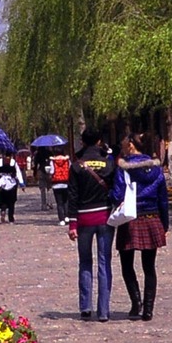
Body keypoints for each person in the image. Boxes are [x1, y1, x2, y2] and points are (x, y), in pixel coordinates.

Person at [112, 133, 169, 321]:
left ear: (130, 145)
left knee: (127, 264)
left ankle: (136, 304)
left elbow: (118, 194)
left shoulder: (123, 168)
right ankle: (148, 310)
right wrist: (165, 223)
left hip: (130, 218)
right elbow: (163, 198)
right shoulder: (156, 169)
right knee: (149, 267)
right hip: (152, 217)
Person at [68, 131, 115, 321]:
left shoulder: (77, 165)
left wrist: (72, 223)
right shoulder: (109, 162)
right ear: (99, 141)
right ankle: (103, 310)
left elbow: (72, 196)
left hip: (84, 219)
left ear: (83, 142)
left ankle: (85, 307)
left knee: (85, 261)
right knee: (104, 263)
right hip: (105, 216)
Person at [0, 154, 21, 223]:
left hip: (2, 183)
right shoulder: (13, 162)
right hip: (12, 183)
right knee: (12, 201)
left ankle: (3, 211)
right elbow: (18, 173)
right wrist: (22, 183)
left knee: (3, 200)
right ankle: (11, 218)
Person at [48, 147, 72, 228]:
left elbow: (51, 171)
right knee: (66, 201)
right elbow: (70, 170)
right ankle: (67, 216)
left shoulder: (53, 162)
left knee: (59, 203)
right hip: (66, 183)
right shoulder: (67, 161)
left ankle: (61, 220)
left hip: (56, 184)